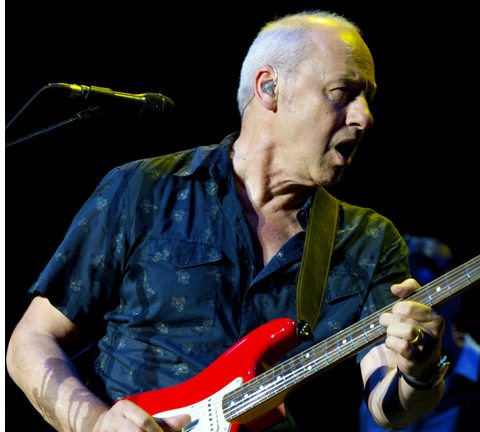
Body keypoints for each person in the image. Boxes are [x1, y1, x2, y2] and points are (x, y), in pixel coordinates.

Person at [6, 11, 446, 432]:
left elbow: (390, 407)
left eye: (368, 97)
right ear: (269, 86)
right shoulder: (146, 189)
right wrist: (92, 421)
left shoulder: (368, 240)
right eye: (342, 92)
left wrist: (420, 372)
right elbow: (33, 340)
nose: (364, 116)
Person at [359, 235, 480, 432]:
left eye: (428, 307)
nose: (413, 324)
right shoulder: (379, 389)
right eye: (400, 313)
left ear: (456, 299)